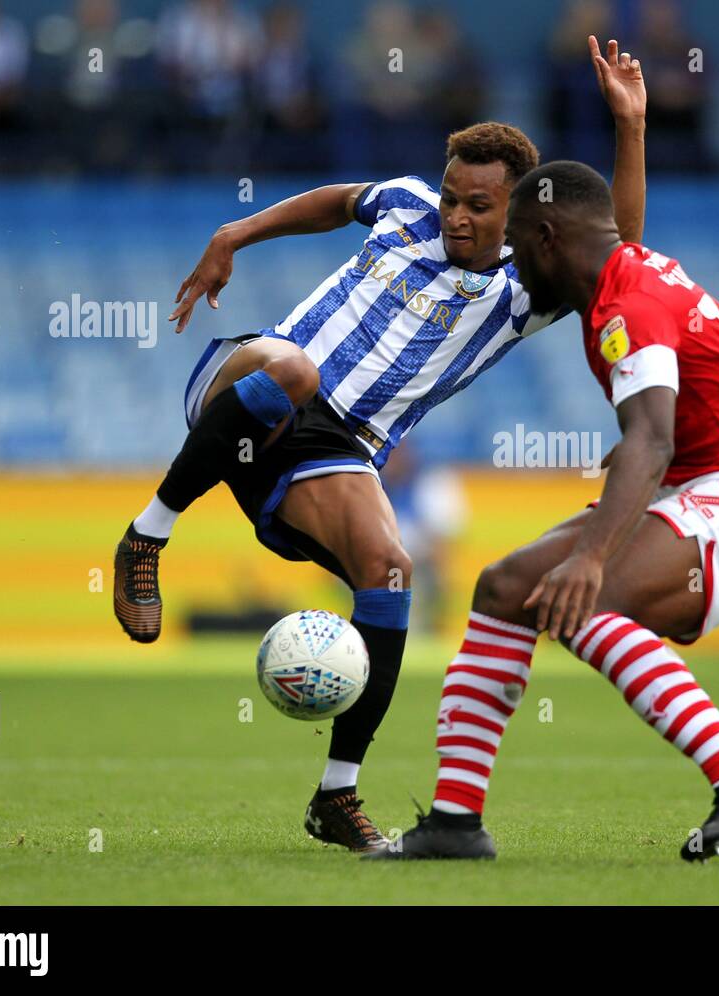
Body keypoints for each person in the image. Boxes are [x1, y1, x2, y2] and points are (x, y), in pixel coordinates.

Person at [113, 39, 648, 853]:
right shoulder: (401, 204)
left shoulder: (524, 290)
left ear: (524, 216)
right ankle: (146, 535)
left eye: (478, 205)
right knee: (293, 367)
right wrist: (236, 233)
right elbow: (334, 202)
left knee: (390, 575)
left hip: (339, 448)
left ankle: (336, 795)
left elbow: (623, 257)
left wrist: (631, 129)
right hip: (249, 382)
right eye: (451, 198)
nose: (457, 215)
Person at [370, 161, 719, 863]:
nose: (512, 266)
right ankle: (455, 825)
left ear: (549, 238)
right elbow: (615, 227)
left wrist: (591, 557)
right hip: (702, 481)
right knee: (504, 589)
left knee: (581, 599)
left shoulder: (629, 306)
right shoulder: (619, 272)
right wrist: (634, 132)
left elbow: (651, 437)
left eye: (519, 248)